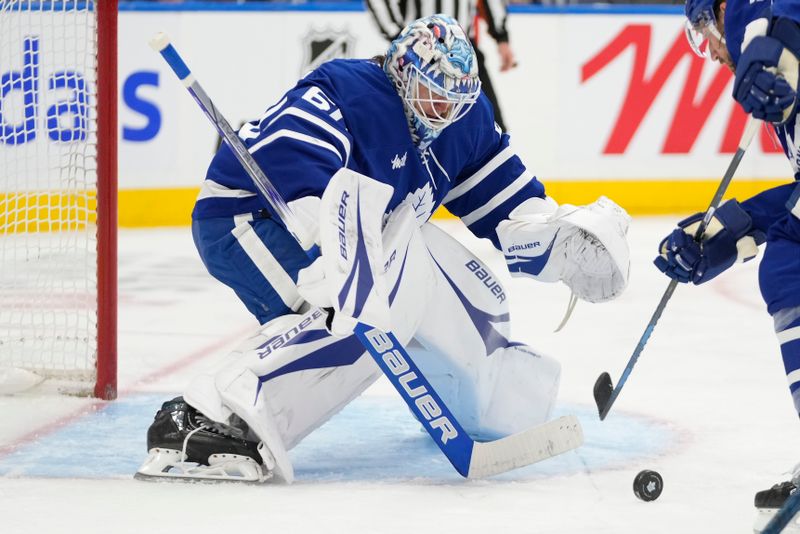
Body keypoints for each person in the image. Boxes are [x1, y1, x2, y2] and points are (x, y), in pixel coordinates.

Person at [135, 15, 631, 483]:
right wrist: (330, 250)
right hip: (250, 221)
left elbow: (506, 200)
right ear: (400, 70)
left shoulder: (463, 121)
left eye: (454, 100)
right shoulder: (350, 89)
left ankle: (488, 400)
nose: (442, 111)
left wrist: (559, 241)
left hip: (360, 236)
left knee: (444, 273)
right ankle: (208, 419)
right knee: (363, 309)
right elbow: (287, 152)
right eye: (431, 94)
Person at [660, 0, 800, 530]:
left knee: (789, 265)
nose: (713, 54)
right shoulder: (773, 79)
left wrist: (771, 37)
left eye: (704, 35)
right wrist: (732, 228)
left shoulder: (756, 25)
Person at [366, 0, 515, 131]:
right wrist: (403, 39)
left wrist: (501, 36)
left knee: (491, 125)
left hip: (464, 54)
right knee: (412, 124)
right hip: (421, 54)